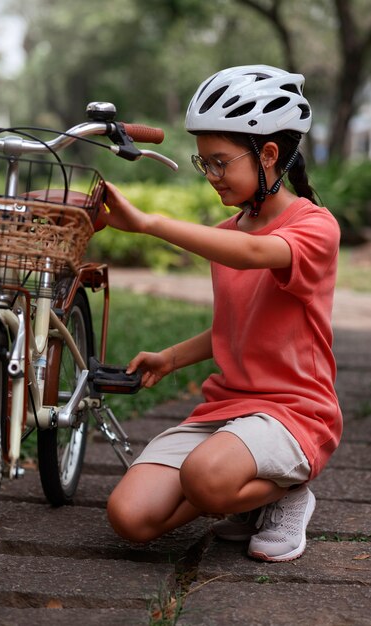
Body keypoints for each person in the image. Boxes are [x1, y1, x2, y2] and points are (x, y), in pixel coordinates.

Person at [99, 65, 342, 562]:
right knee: (131, 517)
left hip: (293, 414)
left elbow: (254, 253)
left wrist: (148, 223)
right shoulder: (229, 231)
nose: (210, 177)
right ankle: (241, 491)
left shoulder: (316, 227)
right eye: (202, 162)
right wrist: (170, 357)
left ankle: (287, 491)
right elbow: (236, 325)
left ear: (268, 155)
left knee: (204, 478)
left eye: (218, 162)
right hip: (227, 412)